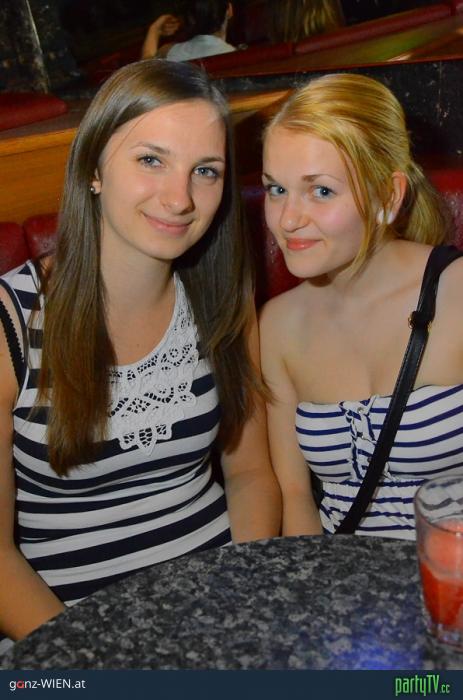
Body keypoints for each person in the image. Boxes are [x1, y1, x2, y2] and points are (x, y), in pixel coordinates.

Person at [0, 59, 280, 646]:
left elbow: (251, 473)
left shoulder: (222, 298)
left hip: (225, 610)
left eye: (205, 171)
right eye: (151, 160)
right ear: (94, 168)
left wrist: (246, 605)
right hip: (67, 638)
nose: (179, 199)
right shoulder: (10, 322)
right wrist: (89, 663)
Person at [259, 72, 463, 541]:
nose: (287, 220)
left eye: (321, 191)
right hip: (341, 578)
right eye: (276, 189)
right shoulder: (278, 326)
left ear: (388, 196)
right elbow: (295, 495)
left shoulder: (456, 293)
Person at [141, 1, 235, 62]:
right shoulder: (236, 57)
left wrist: (154, 30)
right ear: (229, 10)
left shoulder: (168, 52)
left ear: (190, 17)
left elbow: (146, 70)